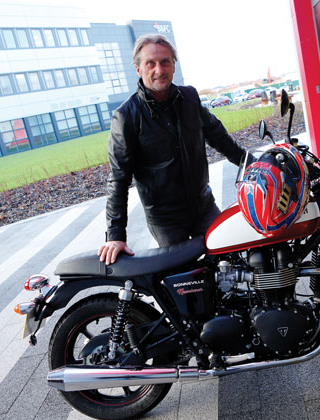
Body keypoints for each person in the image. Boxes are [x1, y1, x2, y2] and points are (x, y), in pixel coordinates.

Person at [98, 34, 244, 265]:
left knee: (231, 262)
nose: (159, 69)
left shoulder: (190, 98)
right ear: (138, 69)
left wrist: (255, 164)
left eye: (165, 61)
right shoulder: (126, 117)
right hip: (166, 220)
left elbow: (219, 137)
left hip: (204, 206)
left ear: (174, 65)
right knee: (183, 283)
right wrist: (115, 236)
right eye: (151, 63)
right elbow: (118, 178)